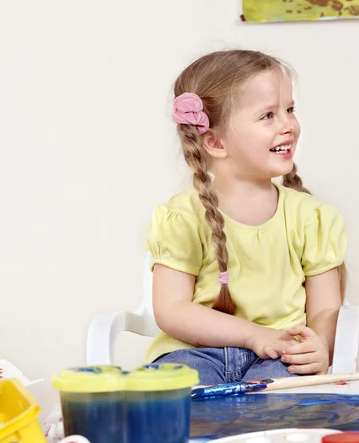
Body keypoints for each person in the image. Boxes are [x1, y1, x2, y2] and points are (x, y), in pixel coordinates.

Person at [146, 50, 347, 385]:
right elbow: (171, 309)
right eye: (268, 115)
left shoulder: (311, 217)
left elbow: (325, 307)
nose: (288, 125)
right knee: (173, 400)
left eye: (290, 110)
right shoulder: (182, 217)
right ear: (214, 141)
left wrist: (320, 345)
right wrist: (254, 335)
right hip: (194, 352)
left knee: (283, 408)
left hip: (283, 354)